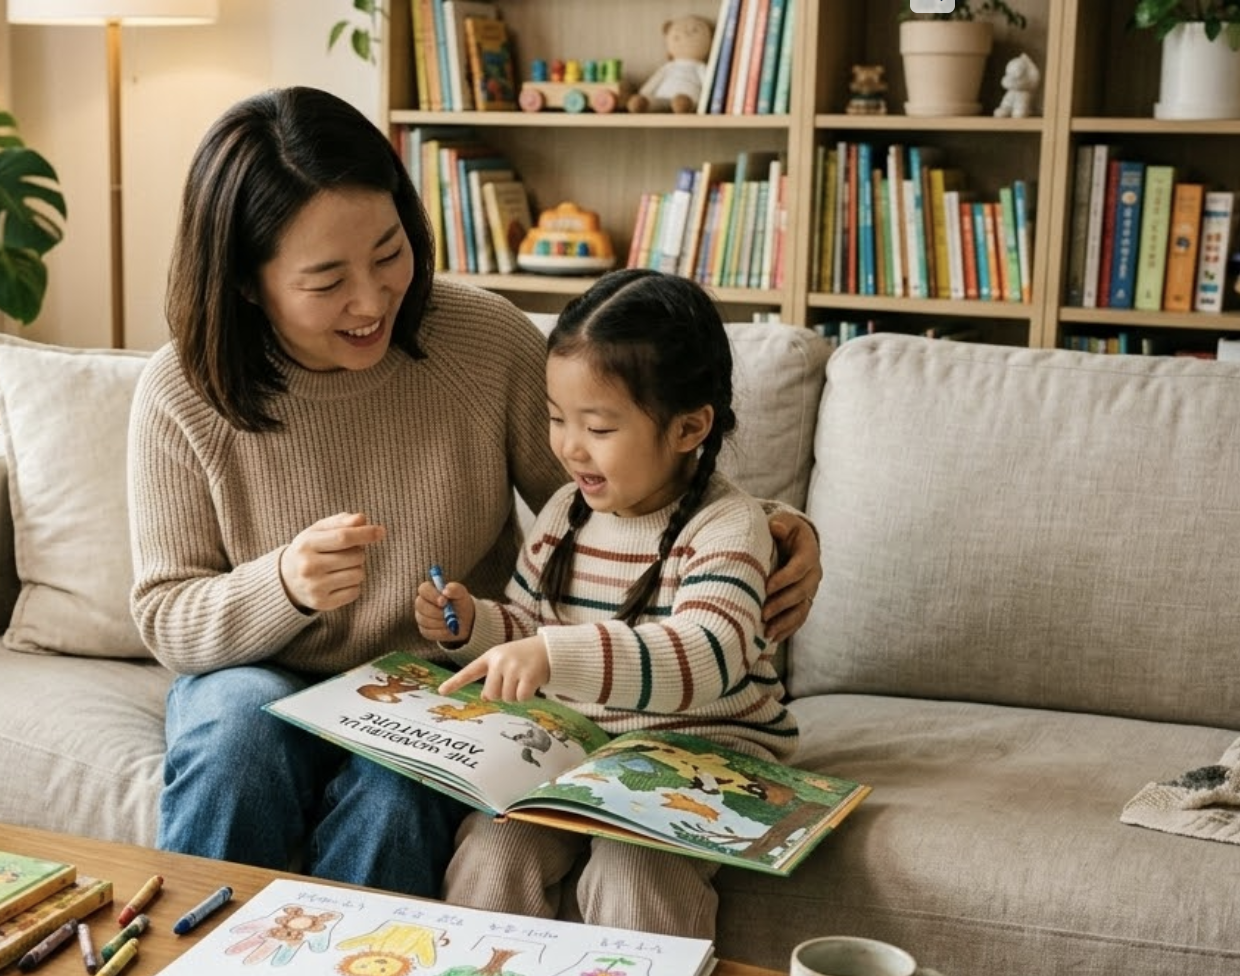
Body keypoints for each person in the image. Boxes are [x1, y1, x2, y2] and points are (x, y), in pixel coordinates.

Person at [127, 86, 821, 898]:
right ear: (248, 283)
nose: (371, 300)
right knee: (235, 735)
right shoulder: (182, 391)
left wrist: (768, 525)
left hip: (433, 683)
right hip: (258, 679)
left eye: (389, 253)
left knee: (398, 794)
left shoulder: (481, 340)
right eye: (327, 281)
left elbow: (617, 484)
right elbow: (167, 617)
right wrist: (281, 585)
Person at [418, 267, 789, 937]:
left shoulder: (730, 527)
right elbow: (531, 622)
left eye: (598, 427)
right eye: (557, 419)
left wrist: (550, 653)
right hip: (581, 754)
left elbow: (705, 656)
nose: (568, 446)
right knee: (493, 854)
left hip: (703, 754)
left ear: (688, 427)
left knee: (634, 872)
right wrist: (474, 625)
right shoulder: (567, 511)